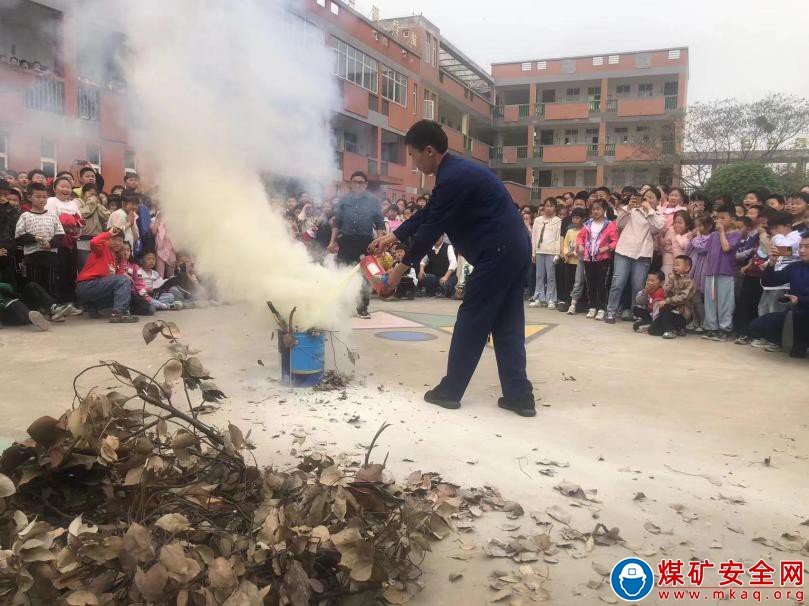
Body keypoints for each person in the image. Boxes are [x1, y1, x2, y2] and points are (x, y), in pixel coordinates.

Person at [369, 120, 535, 416]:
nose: (413, 162)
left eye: (413, 156)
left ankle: (450, 390)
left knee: (471, 319)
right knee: (507, 323)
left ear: (429, 151)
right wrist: (393, 236)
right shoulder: (456, 172)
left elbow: (432, 228)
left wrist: (396, 273)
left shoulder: (454, 177)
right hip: (515, 250)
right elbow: (430, 212)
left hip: (497, 253)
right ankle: (519, 396)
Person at [328, 170, 385, 319]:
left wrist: (380, 242)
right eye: (355, 182)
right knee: (343, 273)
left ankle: (363, 307)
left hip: (365, 242)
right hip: (346, 241)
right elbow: (337, 222)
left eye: (361, 182)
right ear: (350, 184)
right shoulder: (344, 200)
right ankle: (342, 307)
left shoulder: (373, 201)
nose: (358, 185)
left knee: (366, 276)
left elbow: (379, 223)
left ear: (366, 185)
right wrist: (332, 241)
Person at [605, 187, 665, 323]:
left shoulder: (658, 216)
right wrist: (628, 208)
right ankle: (611, 311)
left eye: (651, 197)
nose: (647, 200)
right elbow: (619, 224)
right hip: (624, 250)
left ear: (658, 201)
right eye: (646, 197)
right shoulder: (632, 210)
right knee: (618, 283)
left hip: (643, 253)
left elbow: (658, 228)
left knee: (638, 286)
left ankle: (636, 312)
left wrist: (649, 211)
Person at [748, 234, 809, 357]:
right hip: (796, 315)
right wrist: (771, 263)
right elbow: (769, 282)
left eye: (807, 247)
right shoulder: (795, 267)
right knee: (757, 326)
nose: (802, 250)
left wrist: (800, 300)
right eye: (801, 246)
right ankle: (790, 343)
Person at [695, 204, 743, 341]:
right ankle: (711, 327)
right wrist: (699, 235)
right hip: (711, 272)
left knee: (725, 302)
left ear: (732, 219)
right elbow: (703, 250)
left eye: (723, 218)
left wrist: (721, 232)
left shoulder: (736, 234)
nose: (719, 221)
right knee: (710, 301)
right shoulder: (713, 235)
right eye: (717, 218)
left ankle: (725, 328)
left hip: (726, 272)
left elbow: (727, 248)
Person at [75, 227, 138, 323]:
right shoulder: (102, 248)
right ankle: (118, 314)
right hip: (87, 285)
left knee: (125, 284)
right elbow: (94, 242)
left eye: (120, 240)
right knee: (123, 281)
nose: (117, 243)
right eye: (114, 239)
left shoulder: (117, 259)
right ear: (108, 240)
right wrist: (108, 233)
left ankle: (92, 306)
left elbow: (119, 278)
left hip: (97, 287)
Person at [14, 182, 64, 297]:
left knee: (51, 282)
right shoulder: (25, 216)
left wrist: (50, 244)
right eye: (38, 197)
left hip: (50, 255)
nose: (42, 200)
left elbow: (60, 235)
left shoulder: (53, 215)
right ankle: (37, 308)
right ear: (29, 197)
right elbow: (19, 238)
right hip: (32, 257)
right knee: (35, 283)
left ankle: (51, 307)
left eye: (44, 197)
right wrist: (34, 238)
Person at [577, 199, 617, 320]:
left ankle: (601, 308)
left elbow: (615, 241)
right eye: (593, 209)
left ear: (604, 210)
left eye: (598, 209)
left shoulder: (610, 225)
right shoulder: (588, 223)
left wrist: (607, 248)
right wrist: (580, 245)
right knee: (590, 283)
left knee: (601, 284)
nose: (595, 211)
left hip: (602, 259)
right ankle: (592, 307)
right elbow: (580, 237)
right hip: (588, 258)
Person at [758, 211, 800, 317]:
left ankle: (774, 333)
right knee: (764, 309)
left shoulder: (797, 237)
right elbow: (774, 254)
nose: (774, 231)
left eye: (776, 227)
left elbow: (786, 250)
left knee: (777, 312)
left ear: (788, 226)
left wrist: (775, 238)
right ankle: (763, 332)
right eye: (772, 228)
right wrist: (767, 263)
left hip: (784, 283)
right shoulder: (778, 238)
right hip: (772, 280)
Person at [529, 198, 562, 309]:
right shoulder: (538, 220)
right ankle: (539, 298)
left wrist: (557, 253)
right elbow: (534, 237)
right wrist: (533, 252)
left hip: (551, 252)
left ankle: (551, 299)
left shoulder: (558, 221)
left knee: (551, 276)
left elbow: (558, 238)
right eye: (547, 206)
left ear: (555, 208)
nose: (548, 208)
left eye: (551, 206)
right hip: (539, 251)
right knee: (539, 276)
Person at [558, 208, 585, 313]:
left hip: (578, 261)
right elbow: (565, 244)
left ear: (583, 219)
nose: (575, 220)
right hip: (569, 261)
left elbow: (582, 246)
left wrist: (574, 253)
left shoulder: (584, 231)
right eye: (573, 218)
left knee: (578, 282)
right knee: (568, 282)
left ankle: (578, 303)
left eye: (577, 218)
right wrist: (565, 254)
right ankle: (568, 302)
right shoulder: (569, 231)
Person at [77, 183, 110, 270]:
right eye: (91, 194)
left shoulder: (97, 205)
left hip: (97, 240)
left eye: (95, 195)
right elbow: (82, 215)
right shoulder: (78, 202)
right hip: (83, 240)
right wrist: (91, 203)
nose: (93, 197)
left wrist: (98, 205)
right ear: (83, 194)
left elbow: (107, 216)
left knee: (97, 268)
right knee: (85, 267)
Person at [660, 211, 693, 281]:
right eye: (675, 222)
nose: (677, 225)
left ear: (687, 225)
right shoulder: (671, 231)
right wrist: (659, 236)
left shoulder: (689, 235)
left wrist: (678, 235)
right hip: (671, 261)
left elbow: (683, 245)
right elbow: (665, 245)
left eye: (680, 223)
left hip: (683, 265)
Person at [0, 182, 21, 286]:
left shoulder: (14, 211)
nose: (3, 198)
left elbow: (15, 231)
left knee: (8, 283)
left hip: (8, 251)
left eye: (5, 195)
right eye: (0, 195)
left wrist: (4, 209)